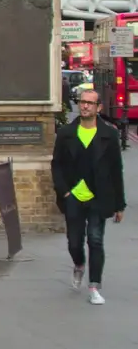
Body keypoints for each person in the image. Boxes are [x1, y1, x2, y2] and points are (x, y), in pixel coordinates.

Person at [51, 86, 125, 305]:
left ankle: (94, 286)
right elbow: (57, 165)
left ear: (98, 107)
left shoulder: (109, 135)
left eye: (89, 103)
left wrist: (119, 205)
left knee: (95, 239)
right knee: (74, 242)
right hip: (73, 196)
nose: (84, 106)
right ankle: (79, 265)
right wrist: (64, 191)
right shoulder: (66, 133)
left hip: (99, 196)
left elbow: (116, 170)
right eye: (82, 102)